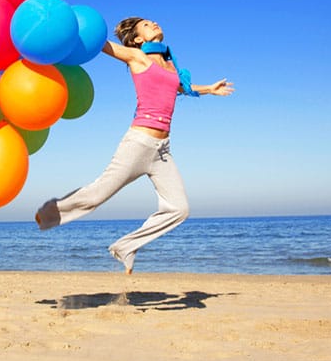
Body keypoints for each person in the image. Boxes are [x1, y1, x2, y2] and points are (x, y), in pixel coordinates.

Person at [35, 17, 234, 274]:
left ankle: (125, 247)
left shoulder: (171, 67)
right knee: (97, 195)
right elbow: (101, 45)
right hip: (138, 144)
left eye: (153, 22)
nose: (154, 23)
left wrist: (209, 89)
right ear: (138, 39)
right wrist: (68, 32)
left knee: (179, 209)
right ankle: (50, 213)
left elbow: (179, 88)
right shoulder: (137, 58)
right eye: (146, 25)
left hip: (162, 151)